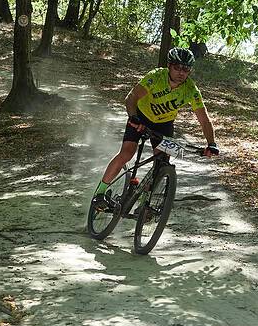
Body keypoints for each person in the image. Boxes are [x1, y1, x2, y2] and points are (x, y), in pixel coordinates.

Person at [92, 47, 218, 209]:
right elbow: (131, 97)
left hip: (164, 125)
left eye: (186, 69)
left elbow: (204, 120)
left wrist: (211, 143)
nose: (181, 72)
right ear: (169, 66)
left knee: (163, 163)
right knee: (127, 153)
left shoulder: (190, 90)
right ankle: (100, 194)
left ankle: (145, 203)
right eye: (177, 67)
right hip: (141, 118)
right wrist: (133, 116)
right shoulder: (156, 77)